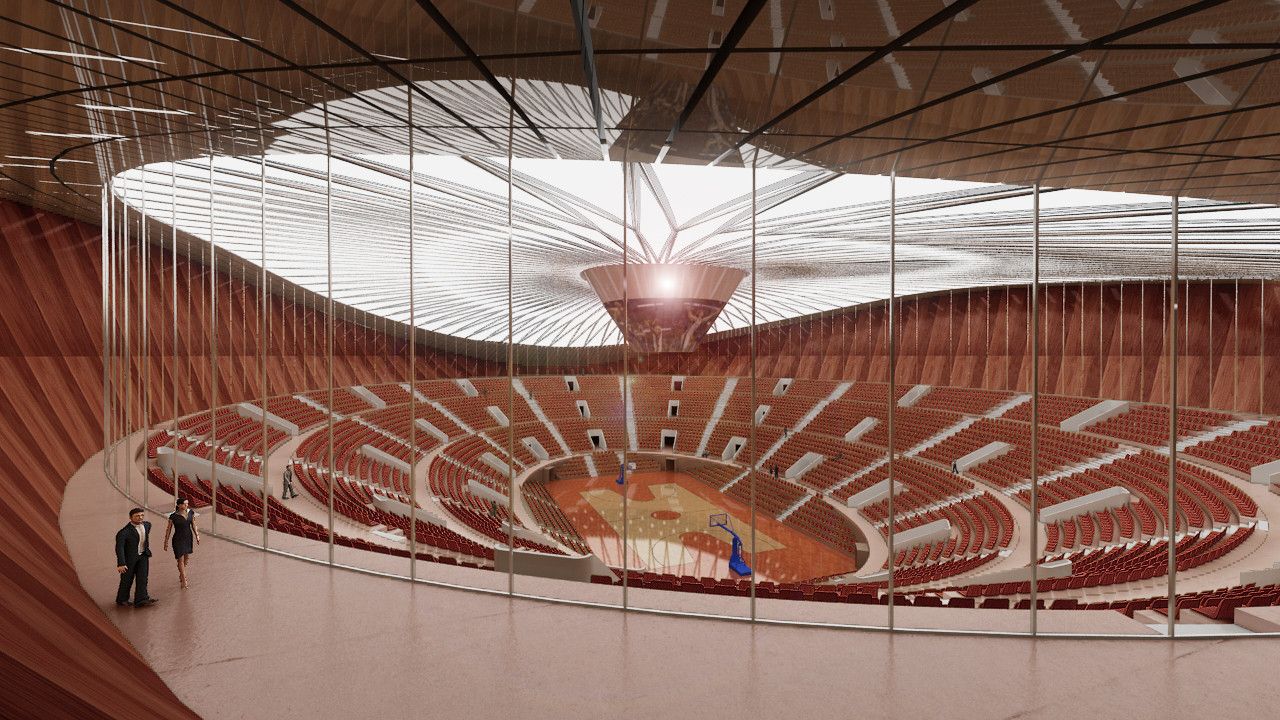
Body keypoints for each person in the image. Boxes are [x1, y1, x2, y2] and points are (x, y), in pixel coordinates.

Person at [115, 507, 157, 607]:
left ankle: (141, 599)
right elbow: (119, 548)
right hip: (129, 559)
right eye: (137, 516)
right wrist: (121, 563)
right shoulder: (123, 532)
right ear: (130, 517)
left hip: (143, 556)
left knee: (143, 578)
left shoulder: (147, 525)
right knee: (127, 579)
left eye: (142, 515)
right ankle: (122, 599)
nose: (140, 517)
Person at [163, 498, 200, 589]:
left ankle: (181, 573)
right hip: (178, 539)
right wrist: (166, 541)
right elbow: (168, 529)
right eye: (184, 504)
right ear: (179, 505)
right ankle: (184, 579)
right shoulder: (173, 516)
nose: (186, 505)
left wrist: (197, 535)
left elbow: (193, 524)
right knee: (180, 560)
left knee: (186, 559)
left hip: (188, 538)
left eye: (187, 504)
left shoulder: (190, 513)